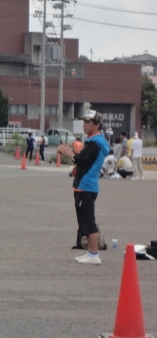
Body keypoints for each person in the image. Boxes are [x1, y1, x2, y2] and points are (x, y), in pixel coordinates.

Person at [57, 109, 109, 265]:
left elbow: (82, 160)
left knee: (88, 220)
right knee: (84, 220)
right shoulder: (93, 141)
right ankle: (91, 252)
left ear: (97, 124)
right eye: (84, 122)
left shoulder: (95, 142)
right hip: (84, 185)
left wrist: (67, 151)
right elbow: (83, 159)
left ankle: (94, 254)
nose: (85, 125)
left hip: (87, 185)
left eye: (88, 122)